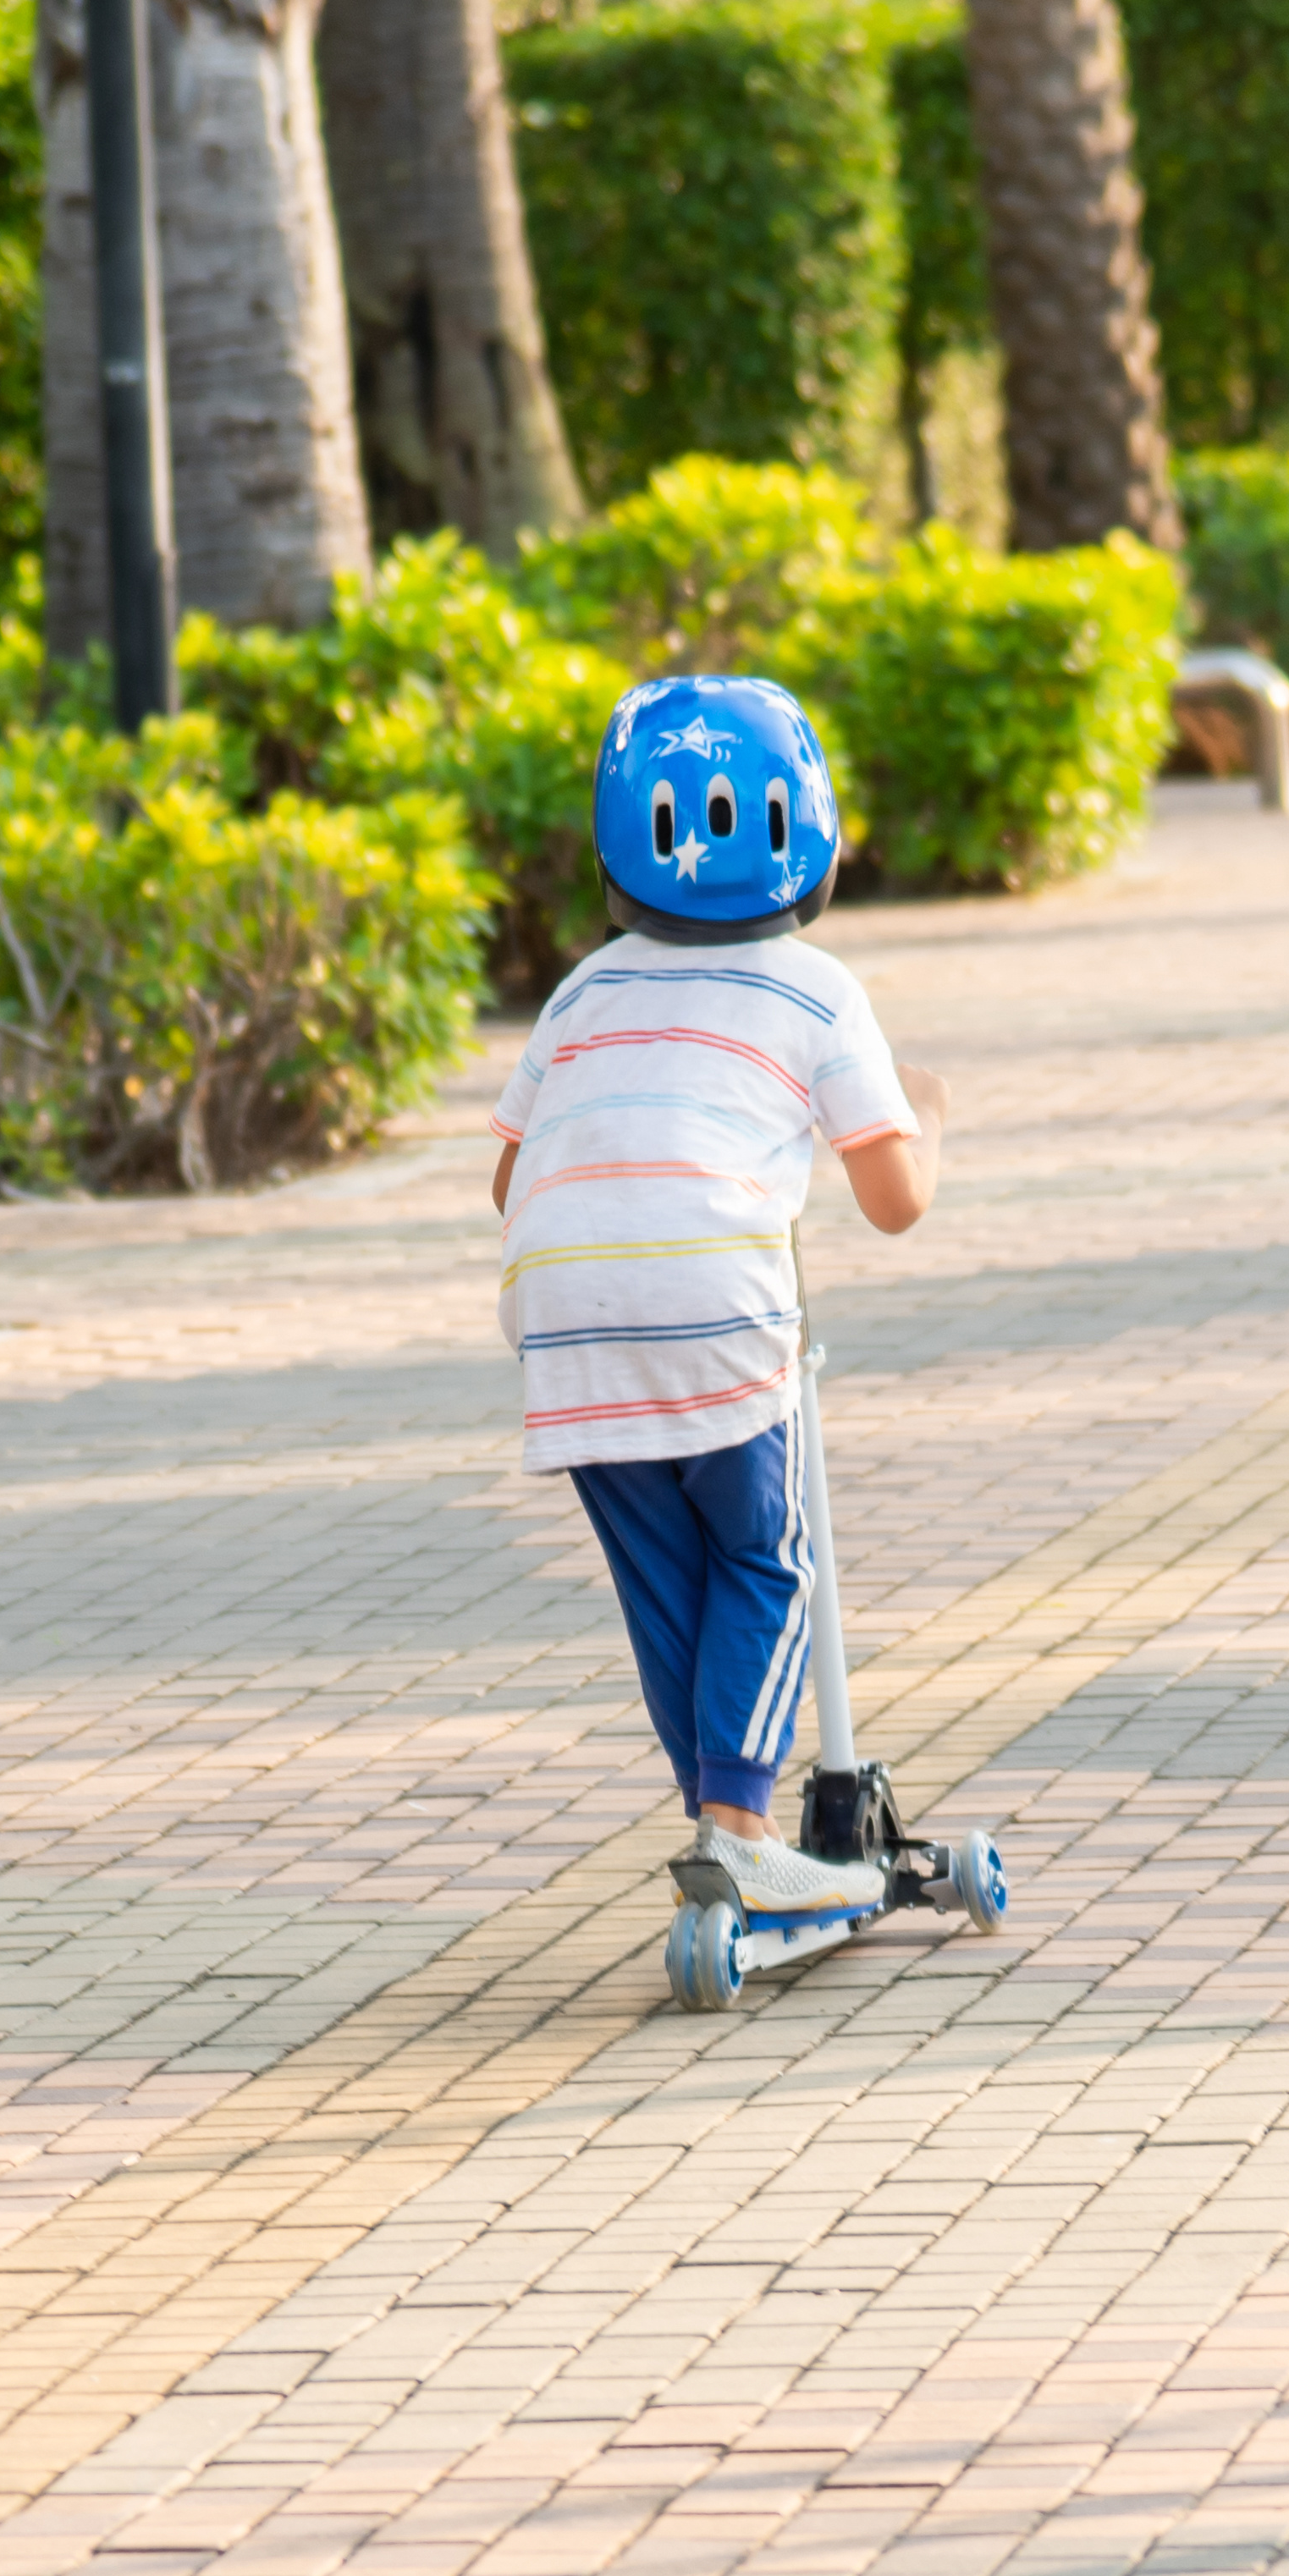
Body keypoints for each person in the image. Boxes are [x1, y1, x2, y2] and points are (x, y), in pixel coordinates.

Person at [488, 671, 942, 1918]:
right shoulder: (818, 990)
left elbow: (507, 1177)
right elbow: (895, 1199)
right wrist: (931, 1118)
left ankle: (716, 1817)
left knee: (670, 1580)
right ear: (818, 841)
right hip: (713, 1315)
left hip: (566, 1322)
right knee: (767, 1560)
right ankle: (741, 1828)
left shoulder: (582, 991)